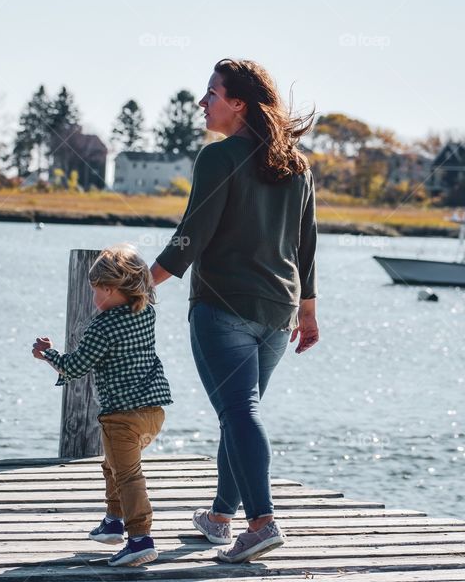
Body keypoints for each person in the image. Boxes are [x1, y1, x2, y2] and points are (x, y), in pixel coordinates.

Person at [150, 58, 320, 563]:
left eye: (211, 93)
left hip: (221, 306)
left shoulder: (218, 157)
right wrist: (307, 312)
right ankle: (221, 516)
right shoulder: (297, 164)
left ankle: (263, 521)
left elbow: (191, 234)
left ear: (238, 102)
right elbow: (305, 245)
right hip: (277, 313)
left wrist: (143, 282)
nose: (202, 103)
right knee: (240, 415)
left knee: (238, 413)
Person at [32, 245, 173, 567]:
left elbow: (75, 367)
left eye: (95, 290)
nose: (94, 297)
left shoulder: (102, 326)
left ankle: (140, 538)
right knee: (114, 466)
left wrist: (48, 354)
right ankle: (112, 522)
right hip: (153, 412)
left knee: (128, 475)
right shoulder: (146, 312)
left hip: (120, 416)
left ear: (109, 289)